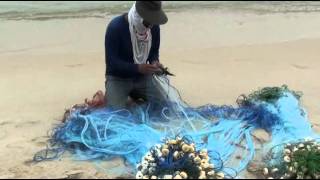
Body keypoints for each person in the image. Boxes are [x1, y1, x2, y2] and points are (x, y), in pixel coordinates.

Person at [104, 1, 168, 109]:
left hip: (142, 77)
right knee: (115, 113)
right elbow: (112, 63)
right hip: (118, 78)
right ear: (139, 17)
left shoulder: (154, 27)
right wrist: (137, 68)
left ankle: (133, 96)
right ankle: (124, 95)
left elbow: (153, 52)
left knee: (163, 104)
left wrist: (154, 62)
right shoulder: (115, 27)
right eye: (148, 22)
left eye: (154, 21)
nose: (151, 26)